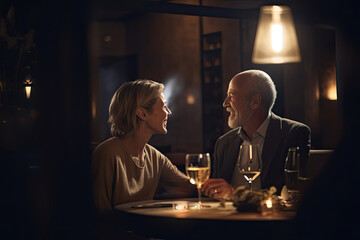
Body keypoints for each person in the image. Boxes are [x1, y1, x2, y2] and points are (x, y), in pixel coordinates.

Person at [202, 69, 311, 200]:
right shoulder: (223, 143)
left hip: (268, 219)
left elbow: (292, 195)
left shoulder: (294, 134)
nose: (225, 103)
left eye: (232, 96)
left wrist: (235, 194)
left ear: (255, 101)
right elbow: (215, 194)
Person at [91, 79, 195, 215]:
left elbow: (190, 188)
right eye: (164, 106)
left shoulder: (155, 157)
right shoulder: (108, 154)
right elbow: (100, 216)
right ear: (143, 114)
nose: (168, 112)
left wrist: (226, 189)